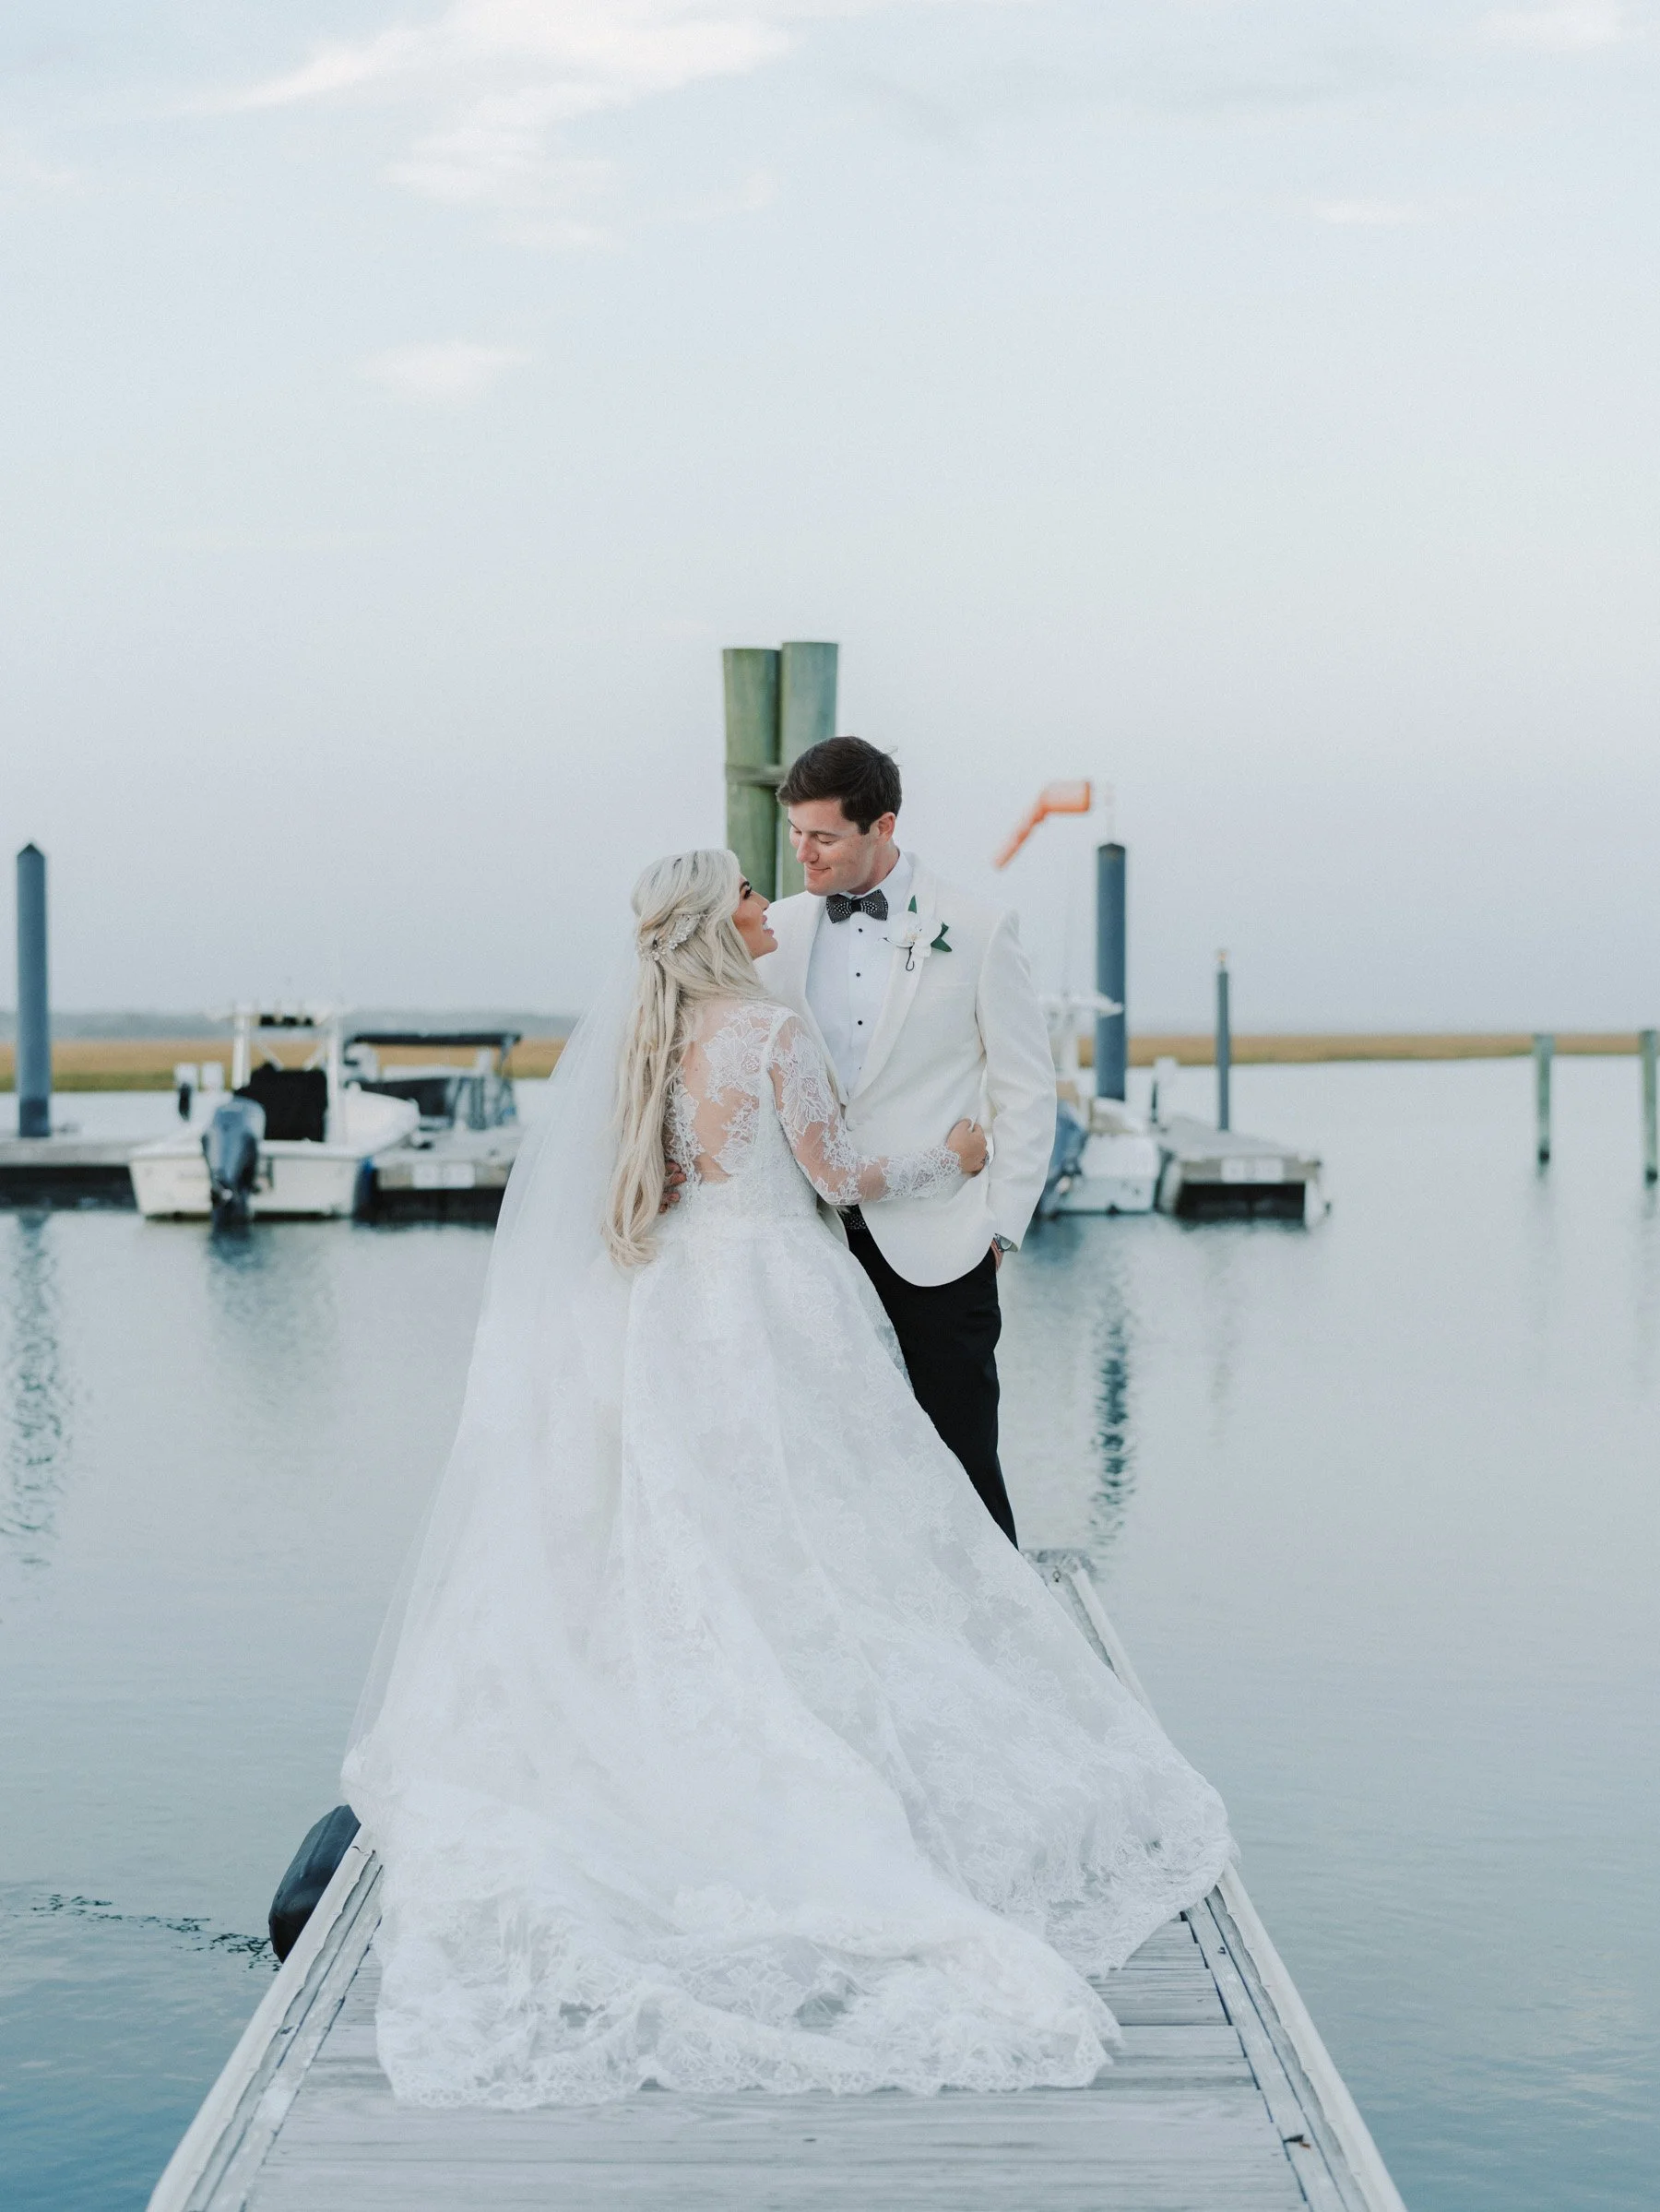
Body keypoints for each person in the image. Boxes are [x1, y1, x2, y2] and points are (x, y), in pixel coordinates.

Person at [343, 848, 1232, 2111]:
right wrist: (959, 1149)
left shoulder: (650, 1041)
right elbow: (838, 1178)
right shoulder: (768, 1029)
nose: (772, 905)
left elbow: (646, 1187)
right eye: (753, 894)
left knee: (686, 1520)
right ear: (720, 921)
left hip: (671, 1305)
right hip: (773, 1294)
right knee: (826, 1514)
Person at [756, 735, 1055, 1544]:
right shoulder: (775, 931)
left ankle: (1002, 1644)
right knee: (830, 1458)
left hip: (943, 1242)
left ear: (881, 826)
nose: (802, 853)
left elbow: (1026, 1089)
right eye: (795, 833)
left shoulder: (981, 928)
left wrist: (1001, 1227)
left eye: (823, 836)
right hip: (806, 1241)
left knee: (963, 1457)